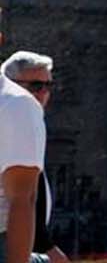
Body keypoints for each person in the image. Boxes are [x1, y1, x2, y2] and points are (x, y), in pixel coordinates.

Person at [0, 48, 52, 263]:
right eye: (36, 86)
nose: (42, 93)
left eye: (47, 86)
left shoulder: (17, 105)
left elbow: (24, 199)